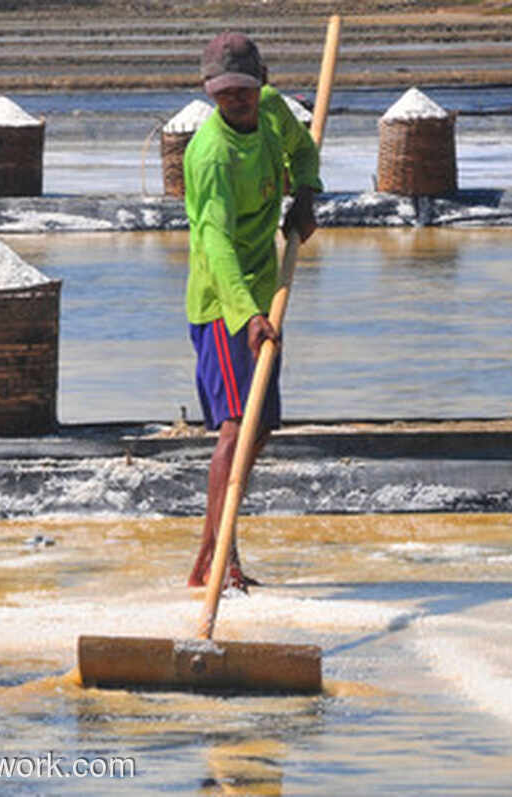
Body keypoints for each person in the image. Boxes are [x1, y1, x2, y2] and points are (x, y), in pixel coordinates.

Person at [182, 32, 321, 591]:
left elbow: (304, 148)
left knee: (260, 428)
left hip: (264, 290)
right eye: (223, 93)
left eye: (243, 88)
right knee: (236, 428)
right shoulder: (210, 156)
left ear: (261, 80)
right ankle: (217, 561)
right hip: (223, 303)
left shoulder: (270, 110)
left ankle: (213, 551)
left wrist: (306, 193)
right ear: (209, 91)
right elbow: (213, 244)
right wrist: (246, 315)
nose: (235, 100)